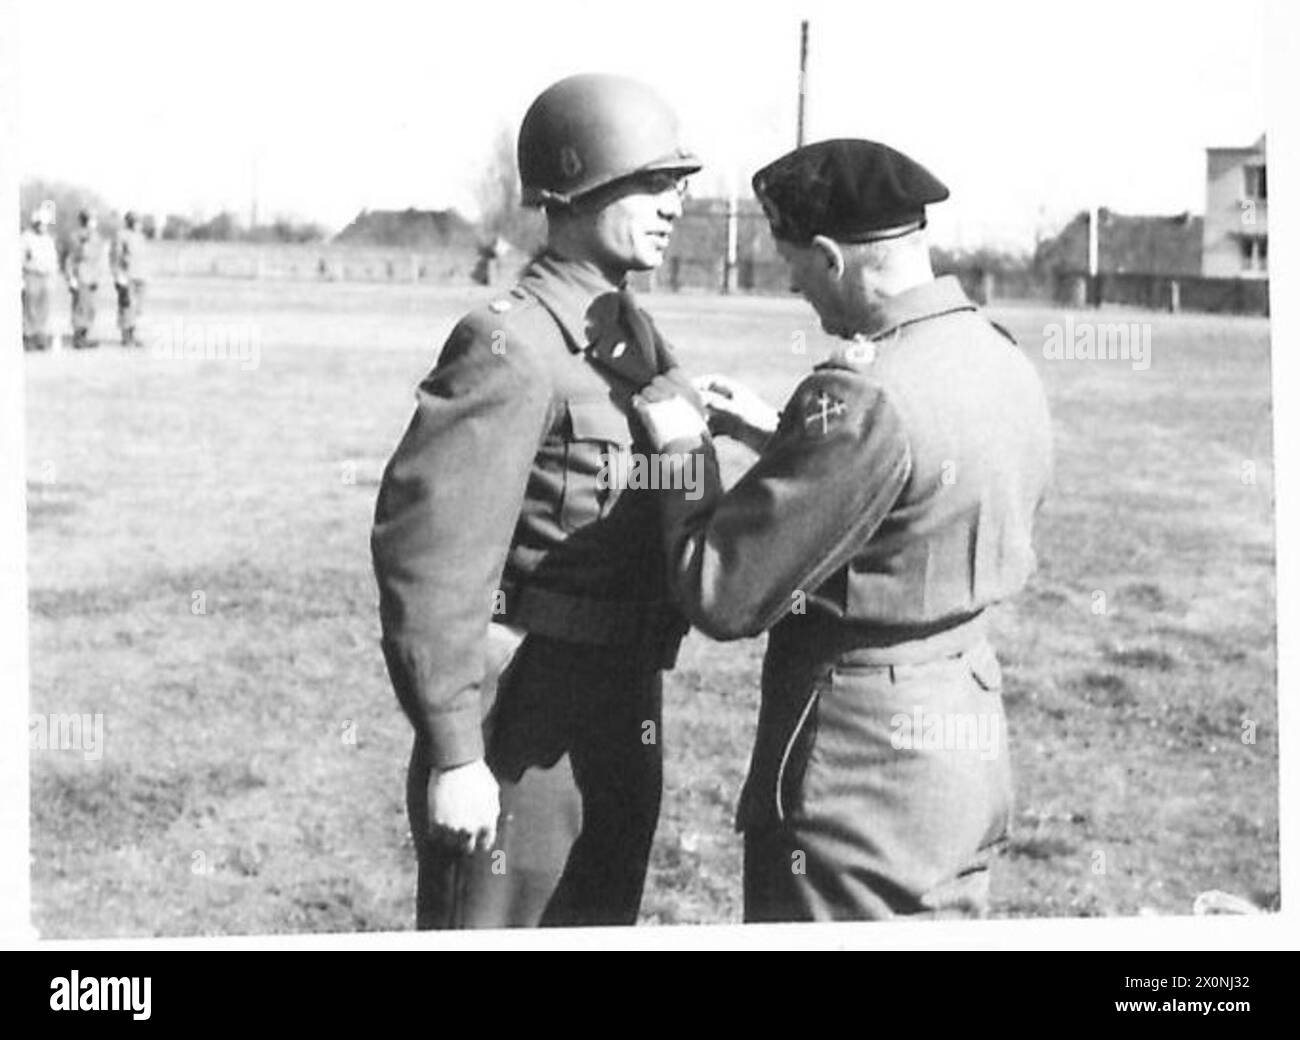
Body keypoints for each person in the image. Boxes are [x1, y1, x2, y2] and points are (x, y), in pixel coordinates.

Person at [633, 138, 1053, 922]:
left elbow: (720, 592)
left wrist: (682, 450)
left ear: (830, 257)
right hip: (960, 739)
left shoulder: (864, 395)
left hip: (861, 775)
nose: (798, 289)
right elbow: (918, 495)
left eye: (796, 269)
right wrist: (783, 437)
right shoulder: (991, 355)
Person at [371, 73, 705, 928]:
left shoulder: (627, 336)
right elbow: (431, 558)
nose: (673, 204)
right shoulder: (511, 345)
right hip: (524, 715)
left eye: (677, 185)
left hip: (620, 708)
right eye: (650, 183)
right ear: (580, 185)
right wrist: (453, 754)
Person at [61, 208, 105, 349]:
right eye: (91, 218)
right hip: (80, 276)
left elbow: (98, 258)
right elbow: (70, 259)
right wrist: (70, 278)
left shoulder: (96, 237)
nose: (93, 221)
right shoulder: (75, 236)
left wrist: (98, 276)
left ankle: (85, 336)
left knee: (90, 308)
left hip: (92, 278)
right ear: (85, 220)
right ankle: (78, 338)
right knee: (80, 308)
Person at [21, 202, 59, 352]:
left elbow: (53, 259)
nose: (43, 227)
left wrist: (53, 276)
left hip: (46, 276)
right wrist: (20, 279)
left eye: (45, 224)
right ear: (35, 223)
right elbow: (20, 257)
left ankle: (40, 336)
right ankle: (29, 335)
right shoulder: (26, 237)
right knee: (30, 307)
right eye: (40, 224)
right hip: (31, 275)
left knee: (44, 308)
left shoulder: (48, 239)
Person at [110, 211, 148, 347]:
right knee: (127, 306)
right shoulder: (121, 236)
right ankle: (126, 336)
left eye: (138, 221)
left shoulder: (140, 237)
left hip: (141, 276)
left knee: (137, 308)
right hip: (127, 276)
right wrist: (118, 276)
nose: (137, 223)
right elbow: (115, 257)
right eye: (134, 220)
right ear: (128, 221)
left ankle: (133, 334)